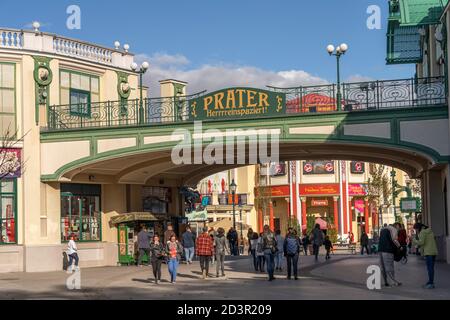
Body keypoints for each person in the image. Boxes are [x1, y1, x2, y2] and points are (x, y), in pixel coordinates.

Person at [413, 223, 438, 289]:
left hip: (428, 252)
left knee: (429, 268)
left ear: (418, 228)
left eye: (416, 229)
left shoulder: (423, 232)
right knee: (431, 268)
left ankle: (431, 283)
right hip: (433, 251)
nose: (416, 231)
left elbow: (421, 242)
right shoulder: (429, 231)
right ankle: (430, 282)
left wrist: (414, 240)